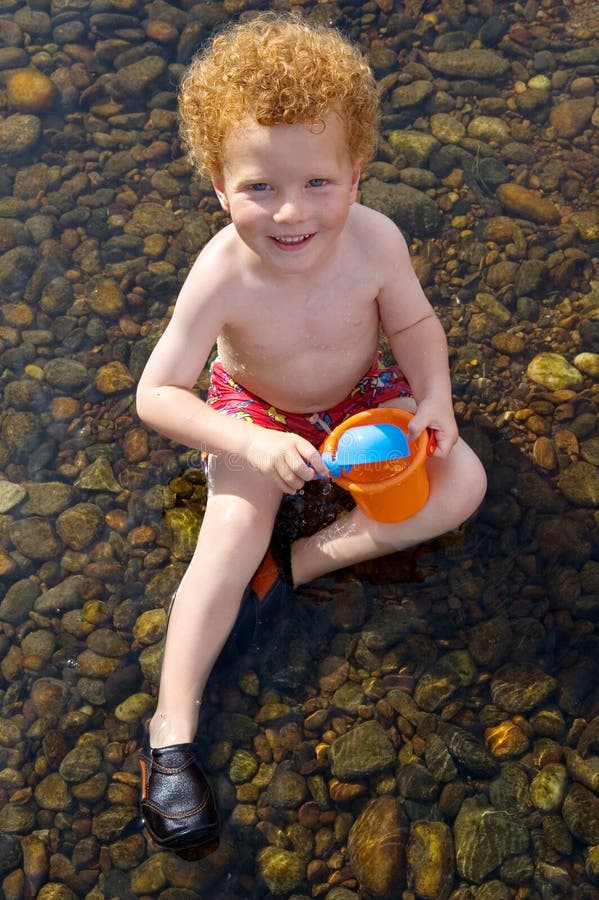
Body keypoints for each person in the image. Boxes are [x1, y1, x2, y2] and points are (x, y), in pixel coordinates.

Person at [135, 13, 487, 851]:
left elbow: (416, 325)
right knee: (226, 532)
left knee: (464, 483)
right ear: (218, 186)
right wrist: (250, 445)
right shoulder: (221, 272)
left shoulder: (374, 241)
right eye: (259, 187)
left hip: (366, 395)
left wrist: (432, 397)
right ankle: (169, 733)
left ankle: (297, 566)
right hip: (258, 413)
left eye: (318, 184)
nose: (291, 213)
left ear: (357, 172)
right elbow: (156, 394)